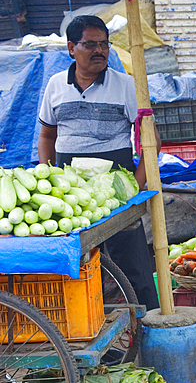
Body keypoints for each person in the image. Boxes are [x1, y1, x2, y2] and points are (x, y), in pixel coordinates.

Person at [37, 15, 160, 310]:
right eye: (90, 44)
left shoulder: (126, 86)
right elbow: (46, 135)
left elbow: (152, 139)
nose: (99, 51)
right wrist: (48, 178)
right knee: (81, 267)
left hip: (117, 185)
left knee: (134, 267)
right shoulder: (55, 85)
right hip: (70, 190)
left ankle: (149, 327)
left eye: (104, 44)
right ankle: (90, 326)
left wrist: (136, 186)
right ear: (71, 48)